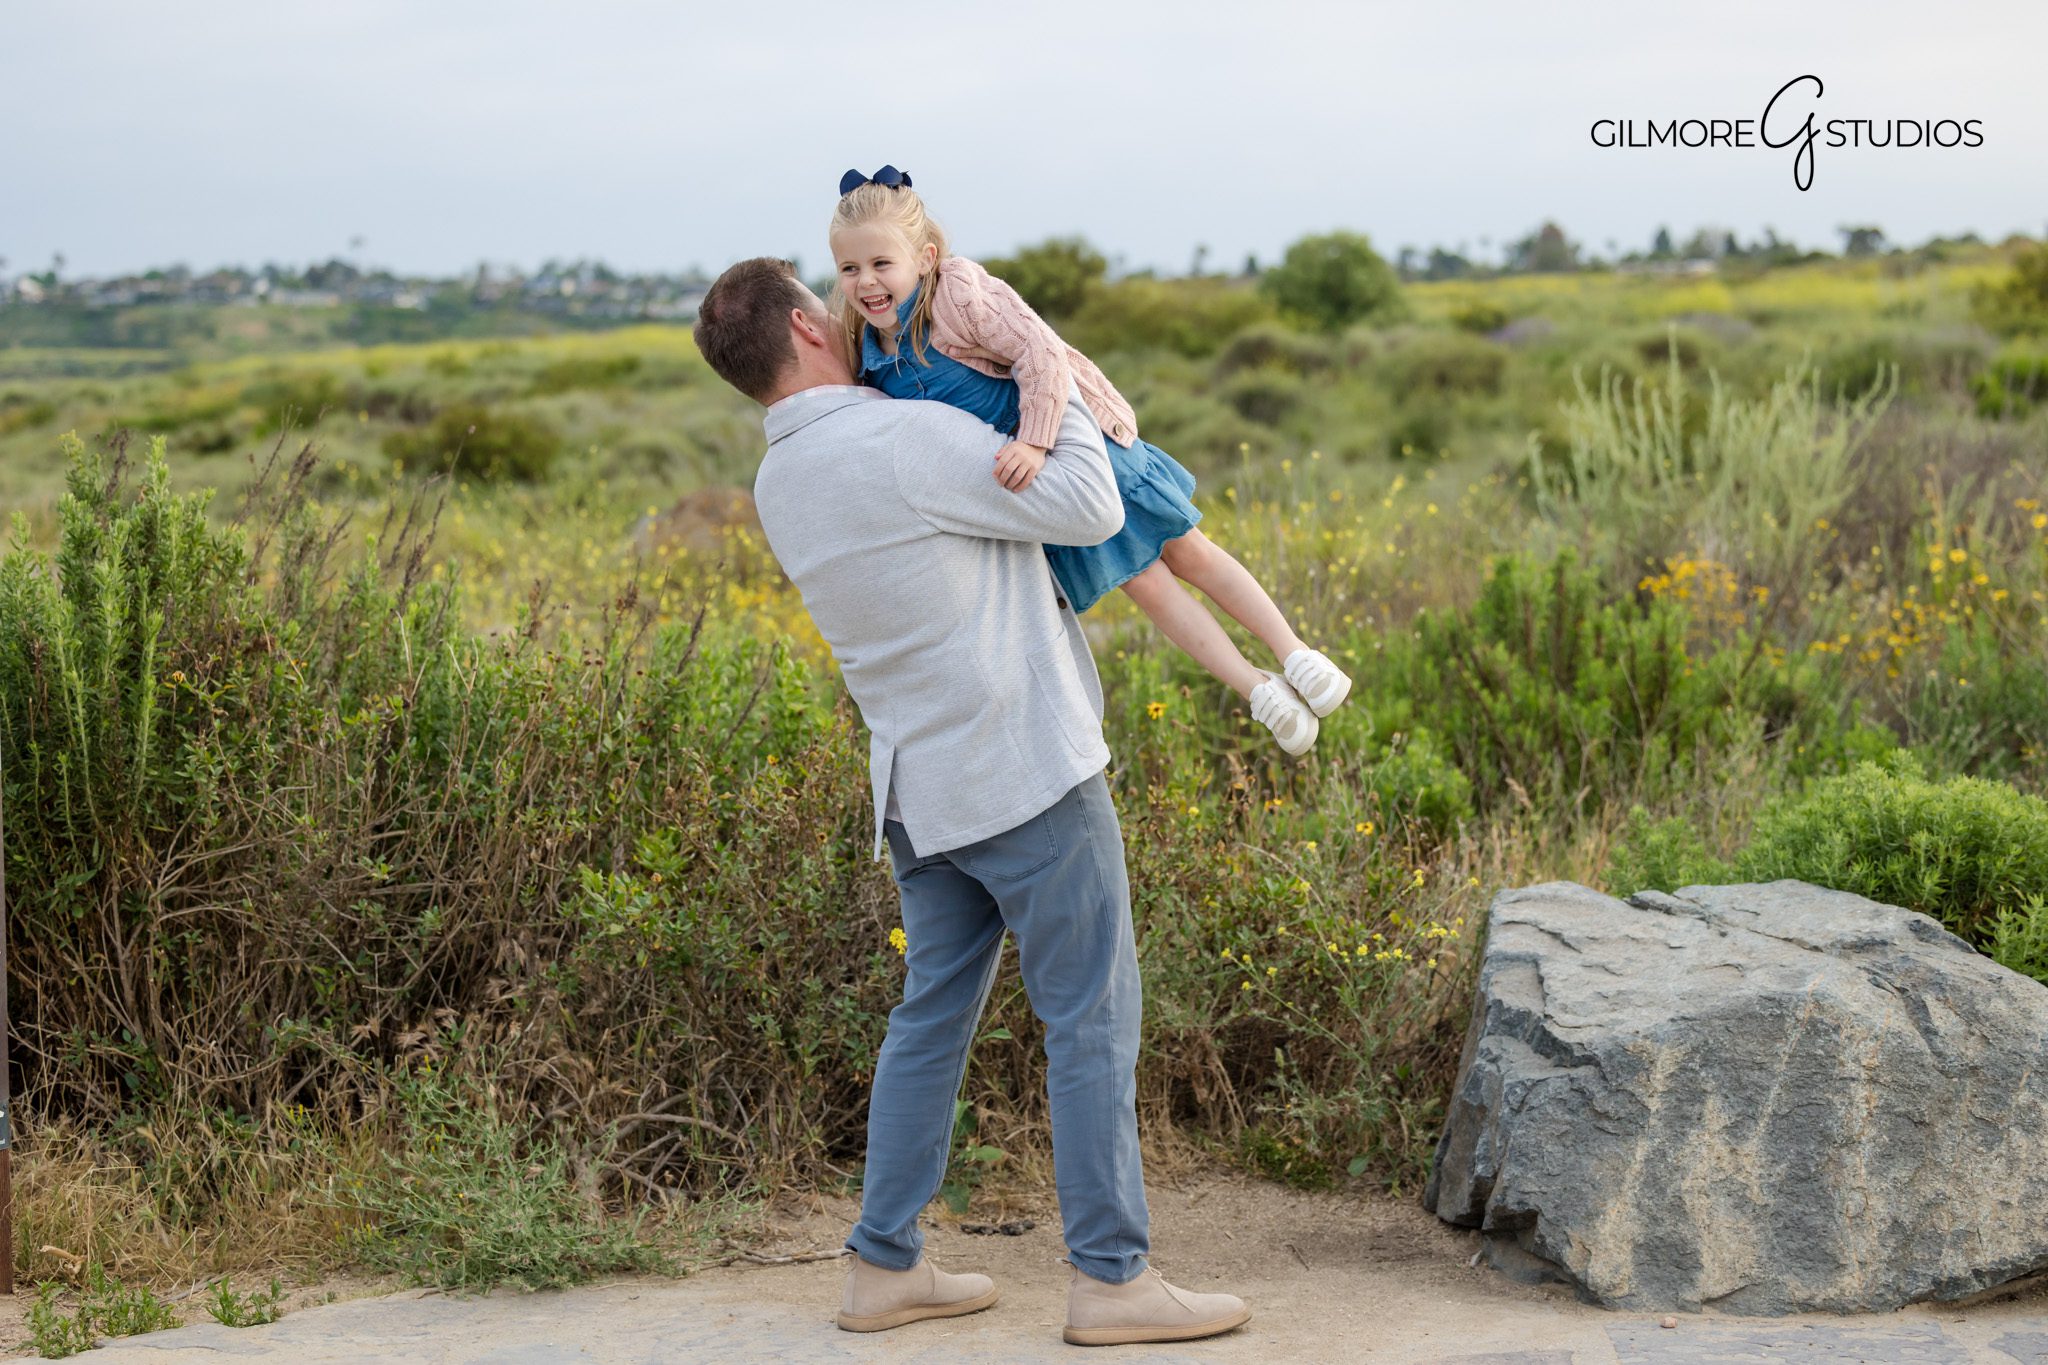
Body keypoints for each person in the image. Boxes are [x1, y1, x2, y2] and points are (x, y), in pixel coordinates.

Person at [693, 257, 1251, 1347]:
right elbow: (1088, 508)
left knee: (930, 1020)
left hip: (915, 787)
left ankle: (881, 1266)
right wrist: (1045, 363)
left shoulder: (779, 481)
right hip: (1021, 769)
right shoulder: (902, 439)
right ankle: (1110, 1282)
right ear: (809, 327)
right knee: (1089, 1015)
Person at [828, 164, 1351, 757]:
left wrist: (1035, 439)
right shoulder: (867, 347)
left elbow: (1041, 352)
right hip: (1042, 499)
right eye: (850, 268)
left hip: (1078, 448)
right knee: (1148, 588)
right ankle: (1258, 690)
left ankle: (1295, 654)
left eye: (881, 264)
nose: (866, 281)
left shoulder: (958, 294)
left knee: (1188, 550)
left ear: (923, 257)